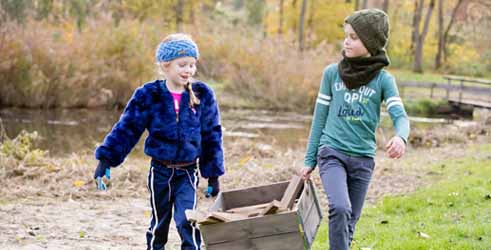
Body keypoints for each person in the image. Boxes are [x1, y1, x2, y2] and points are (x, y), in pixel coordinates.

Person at [93, 33, 224, 250]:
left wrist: (213, 175)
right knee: (159, 224)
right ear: (165, 66)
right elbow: (127, 129)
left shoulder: (202, 94)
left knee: (187, 221)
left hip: (188, 173)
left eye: (192, 65)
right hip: (160, 172)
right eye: (182, 65)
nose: (188, 70)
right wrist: (105, 160)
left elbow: (212, 135)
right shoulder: (148, 95)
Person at [300, 9, 410, 250]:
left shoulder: (383, 80)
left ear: (370, 42)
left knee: (349, 222)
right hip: (332, 153)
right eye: (346, 36)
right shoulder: (332, 74)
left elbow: (400, 116)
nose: (346, 42)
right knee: (340, 207)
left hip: (363, 159)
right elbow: (319, 120)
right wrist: (310, 160)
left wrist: (401, 137)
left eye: (353, 37)